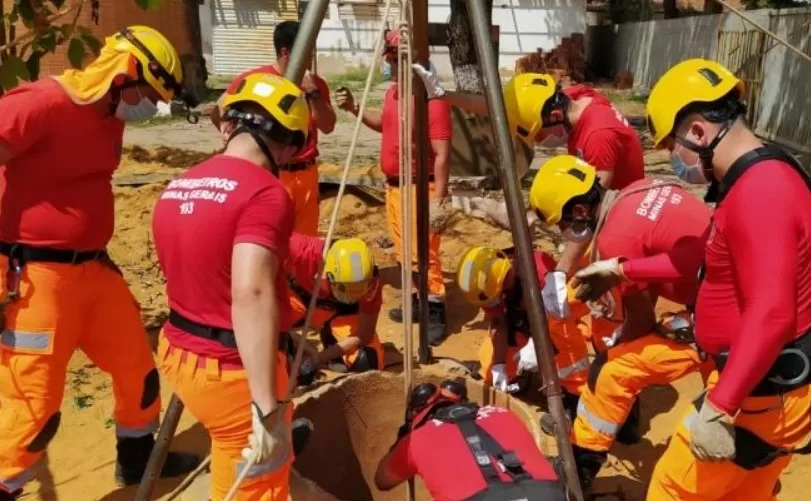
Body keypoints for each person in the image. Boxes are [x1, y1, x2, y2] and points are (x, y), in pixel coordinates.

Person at [0, 26, 201, 498]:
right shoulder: (40, 103)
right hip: (35, 278)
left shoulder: (111, 116)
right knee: (35, 405)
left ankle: (135, 460)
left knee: (137, 370)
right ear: (126, 71)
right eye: (148, 92)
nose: (148, 104)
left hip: (94, 271)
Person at [619, 58, 811, 500]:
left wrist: (719, 408)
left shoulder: (761, 192)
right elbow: (706, 261)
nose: (673, 159)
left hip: (758, 397)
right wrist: (623, 270)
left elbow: (773, 312)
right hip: (762, 389)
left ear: (700, 133)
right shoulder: (756, 178)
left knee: (672, 488)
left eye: (673, 145)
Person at [152, 72, 312, 500]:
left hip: (178, 350)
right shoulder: (266, 193)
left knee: (232, 458)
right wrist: (265, 406)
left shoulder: (181, 183)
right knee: (258, 483)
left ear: (228, 124)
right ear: (289, 145)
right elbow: (250, 292)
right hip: (230, 372)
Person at [526, 154, 714, 492]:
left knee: (612, 372)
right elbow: (652, 278)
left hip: (722, 315)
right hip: (727, 296)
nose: (564, 233)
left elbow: (640, 320)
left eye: (563, 223)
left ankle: (576, 474)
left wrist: (612, 350)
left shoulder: (616, 239)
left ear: (581, 211)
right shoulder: (638, 190)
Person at [413, 66, 644, 286]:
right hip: (602, 211)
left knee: (608, 293)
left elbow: (589, 216)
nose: (537, 142)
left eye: (537, 135)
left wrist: (560, 274)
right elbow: (502, 108)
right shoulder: (572, 98)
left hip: (623, 222)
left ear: (553, 116)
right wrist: (444, 94)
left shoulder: (597, 136)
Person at [335, 30, 452, 345]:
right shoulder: (393, 94)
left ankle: (436, 308)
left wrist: (440, 200)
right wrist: (354, 108)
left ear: (406, 59)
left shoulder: (431, 100)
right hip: (395, 187)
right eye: (385, 58)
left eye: (390, 58)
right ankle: (417, 301)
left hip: (420, 188)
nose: (387, 64)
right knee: (404, 252)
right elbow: (382, 124)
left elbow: (441, 155)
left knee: (423, 253)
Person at [210, 20, 336, 236]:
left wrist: (313, 93)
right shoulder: (257, 79)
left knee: (304, 239)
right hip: (273, 173)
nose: (311, 58)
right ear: (286, 52)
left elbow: (328, 126)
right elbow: (218, 110)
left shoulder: (316, 85)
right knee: (271, 236)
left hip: (306, 174)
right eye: (307, 51)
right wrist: (228, 131)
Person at [374, 379, 567, 501]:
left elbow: (382, 481)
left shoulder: (416, 440)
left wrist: (402, 440)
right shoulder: (503, 413)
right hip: (546, 494)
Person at [455, 246, 589, 406]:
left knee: (560, 333)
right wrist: (499, 365)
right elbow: (499, 322)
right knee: (491, 372)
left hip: (555, 316)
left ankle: (574, 396)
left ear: (505, 277)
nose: (499, 298)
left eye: (501, 292)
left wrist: (536, 343)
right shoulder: (486, 288)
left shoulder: (537, 272)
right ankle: (518, 376)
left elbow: (554, 310)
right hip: (522, 319)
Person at [285, 234, 385, 379]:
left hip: (336, 312)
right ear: (327, 275)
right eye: (345, 291)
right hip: (293, 301)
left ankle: (330, 337)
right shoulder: (299, 251)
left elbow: (364, 334)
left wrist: (319, 358)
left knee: (367, 360)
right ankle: (285, 344)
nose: (351, 298)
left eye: (358, 292)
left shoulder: (371, 284)